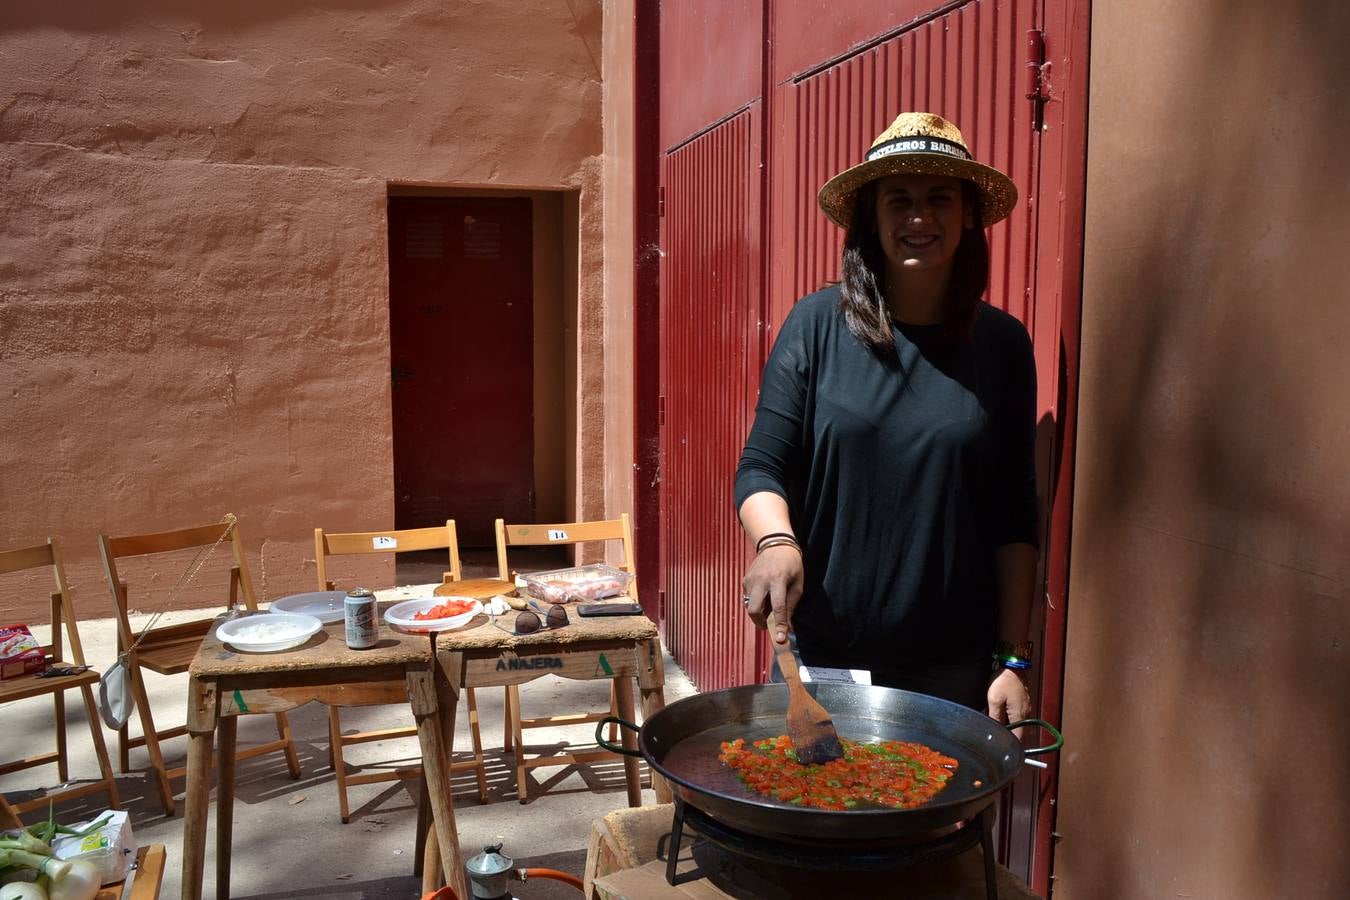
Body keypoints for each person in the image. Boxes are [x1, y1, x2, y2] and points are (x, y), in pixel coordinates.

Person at [735, 111, 1038, 725]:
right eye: (898, 200)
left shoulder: (1003, 344)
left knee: (935, 821)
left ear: (968, 216)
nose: (918, 217)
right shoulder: (816, 325)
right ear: (871, 219)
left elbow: (1014, 512)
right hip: (823, 655)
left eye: (939, 199)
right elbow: (762, 464)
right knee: (814, 811)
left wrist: (1013, 657)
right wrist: (775, 541)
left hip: (951, 665)